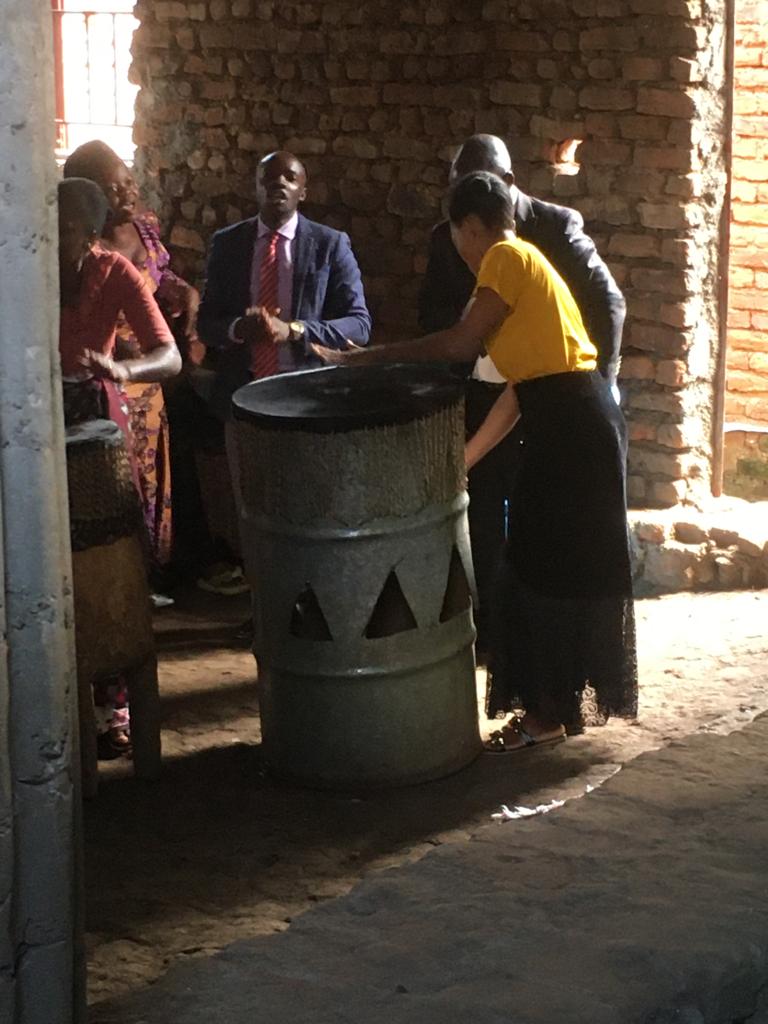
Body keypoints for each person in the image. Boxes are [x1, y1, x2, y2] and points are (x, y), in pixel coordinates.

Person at [312, 171, 637, 751]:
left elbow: (460, 344)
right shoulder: (524, 265)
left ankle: (544, 716)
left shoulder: (505, 258)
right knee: (551, 565)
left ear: (469, 227)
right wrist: (465, 460)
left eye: (455, 234)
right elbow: (518, 391)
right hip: (573, 422)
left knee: (546, 569)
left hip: (574, 430)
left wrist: (368, 359)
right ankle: (555, 708)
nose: (457, 248)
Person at [418, 134, 626, 661]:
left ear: (507, 186)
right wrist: (462, 448)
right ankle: (497, 632)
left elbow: (608, 303)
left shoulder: (544, 232)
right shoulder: (451, 235)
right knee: (487, 519)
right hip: (501, 394)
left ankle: (554, 660)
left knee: (555, 541)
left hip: (561, 405)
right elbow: (444, 322)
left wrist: (600, 378)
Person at [62, 141, 237, 601]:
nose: (128, 192)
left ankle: (163, 568)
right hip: (114, 376)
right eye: (113, 187)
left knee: (157, 476)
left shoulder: (143, 231)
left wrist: (186, 297)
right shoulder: (82, 252)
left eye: (128, 181)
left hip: (145, 372)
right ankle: (137, 575)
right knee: (120, 482)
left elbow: (159, 282)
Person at [58, 177, 181, 756]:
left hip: (92, 427)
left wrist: (123, 371)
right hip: (32, 420)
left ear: (92, 235)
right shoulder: (23, 264)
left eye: (69, 231)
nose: (57, 241)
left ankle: (112, 711)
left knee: (105, 563)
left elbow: (169, 355)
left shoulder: (113, 272)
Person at [198, 149, 372, 419]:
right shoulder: (228, 243)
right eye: (268, 177)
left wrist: (293, 330)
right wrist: (238, 328)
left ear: (303, 193)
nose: (279, 182)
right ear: (256, 188)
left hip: (307, 393)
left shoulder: (329, 245)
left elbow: (359, 326)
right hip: (240, 392)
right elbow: (206, 324)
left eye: (290, 178)